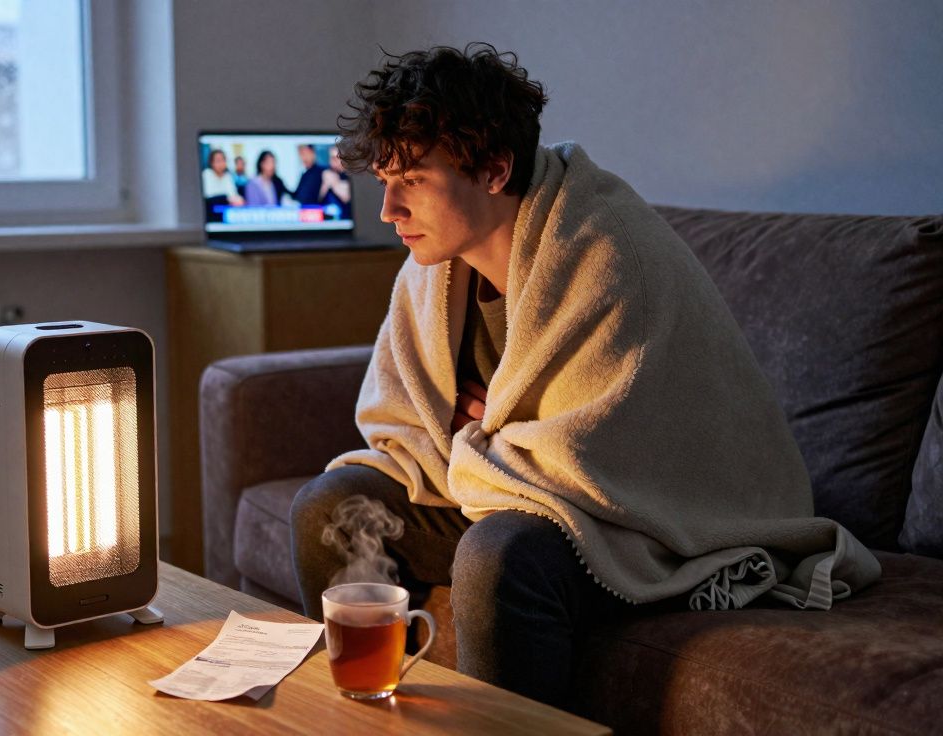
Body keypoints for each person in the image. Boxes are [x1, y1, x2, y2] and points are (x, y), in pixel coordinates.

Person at [289, 43, 879, 711]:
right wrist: (479, 442)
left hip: (632, 517)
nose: (388, 209)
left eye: (414, 181)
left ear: (493, 169)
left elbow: (601, 458)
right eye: (385, 180)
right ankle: (359, 716)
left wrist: (475, 439)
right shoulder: (429, 268)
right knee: (325, 508)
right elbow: (408, 425)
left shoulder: (606, 252)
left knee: (497, 557)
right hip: (505, 483)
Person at [201, 148, 243, 221]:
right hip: (210, 215)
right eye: (218, 161)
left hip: (227, 215)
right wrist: (226, 199)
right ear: (211, 163)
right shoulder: (206, 174)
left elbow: (234, 196)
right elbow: (209, 198)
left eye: (223, 160)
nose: (221, 163)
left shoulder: (228, 176)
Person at [319, 145, 352, 219]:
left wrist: (334, 183)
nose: (333, 162)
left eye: (336, 158)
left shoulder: (349, 176)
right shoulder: (326, 173)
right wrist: (325, 185)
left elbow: (347, 198)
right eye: (331, 158)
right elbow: (318, 200)